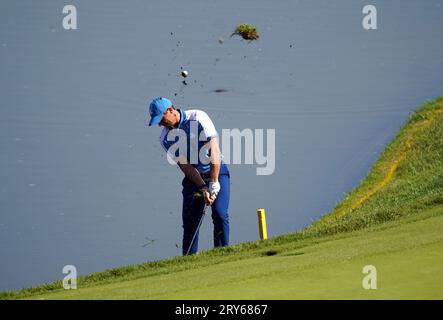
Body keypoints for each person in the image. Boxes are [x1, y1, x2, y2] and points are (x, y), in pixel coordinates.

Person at [148, 97, 230, 255]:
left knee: (220, 215)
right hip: (194, 178)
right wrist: (203, 186)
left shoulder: (198, 117)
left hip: (217, 171)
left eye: (161, 119)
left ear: (171, 110)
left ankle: (222, 255)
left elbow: (215, 151)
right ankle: (188, 261)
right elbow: (184, 165)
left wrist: (213, 183)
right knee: (191, 223)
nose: (160, 124)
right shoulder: (164, 138)